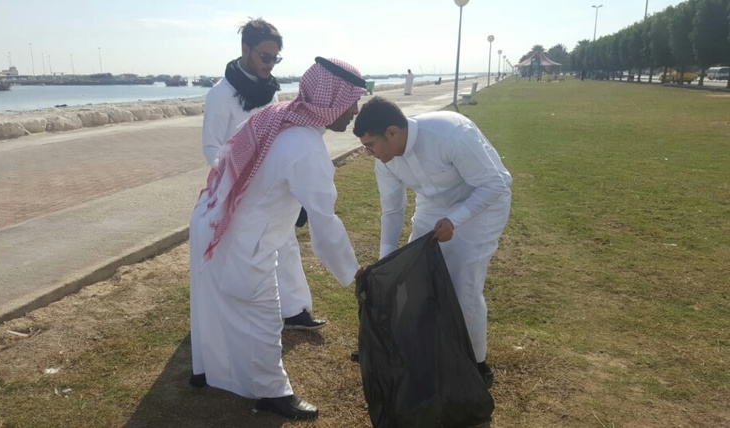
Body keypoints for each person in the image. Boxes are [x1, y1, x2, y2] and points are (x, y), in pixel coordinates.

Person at [189, 57, 368, 420]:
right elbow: (324, 222)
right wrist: (353, 273)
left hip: (213, 219)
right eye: (352, 101)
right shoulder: (305, 146)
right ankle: (272, 393)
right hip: (242, 238)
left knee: (215, 306)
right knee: (264, 318)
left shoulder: (278, 114)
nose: (354, 111)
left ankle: (206, 372)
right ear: (331, 99)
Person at [352, 96, 512, 389]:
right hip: (433, 205)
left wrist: (455, 220)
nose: (368, 153)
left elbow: (494, 184)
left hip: (482, 202)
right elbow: (392, 210)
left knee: (464, 286)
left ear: (392, 132)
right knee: (413, 277)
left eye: (370, 145)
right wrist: (385, 262)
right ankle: (410, 347)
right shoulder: (385, 161)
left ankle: (476, 364)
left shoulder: (450, 132)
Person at [201, 18, 324, 331]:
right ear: (246, 49)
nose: (270, 64)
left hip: (273, 186)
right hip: (238, 189)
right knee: (241, 252)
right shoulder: (220, 95)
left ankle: (294, 311)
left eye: (275, 58)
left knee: (287, 244)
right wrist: (237, 178)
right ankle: (237, 312)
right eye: (265, 57)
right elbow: (211, 147)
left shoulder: (270, 91)